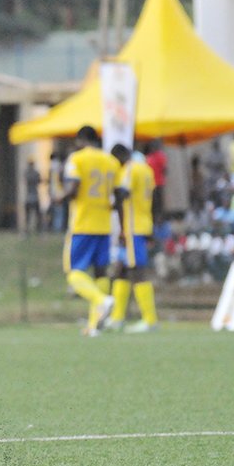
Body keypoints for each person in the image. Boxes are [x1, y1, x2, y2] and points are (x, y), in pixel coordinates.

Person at [63, 126, 119, 336]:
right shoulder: (111, 162)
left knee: (73, 272)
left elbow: (74, 187)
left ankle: (101, 300)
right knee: (100, 273)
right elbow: (119, 194)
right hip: (104, 225)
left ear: (80, 140)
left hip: (83, 223)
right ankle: (95, 325)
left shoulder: (77, 159)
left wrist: (60, 196)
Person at [109, 144, 159, 333]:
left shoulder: (130, 169)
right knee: (121, 270)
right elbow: (155, 197)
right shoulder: (146, 168)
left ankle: (150, 319)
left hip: (132, 227)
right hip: (143, 223)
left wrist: (111, 203)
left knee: (137, 271)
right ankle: (117, 317)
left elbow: (123, 194)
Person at [23, 159, 43, 233]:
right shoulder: (35, 173)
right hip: (34, 195)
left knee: (29, 215)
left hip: (29, 196)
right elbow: (39, 181)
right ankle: (37, 229)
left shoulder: (27, 173)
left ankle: (28, 230)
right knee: (36, 215)